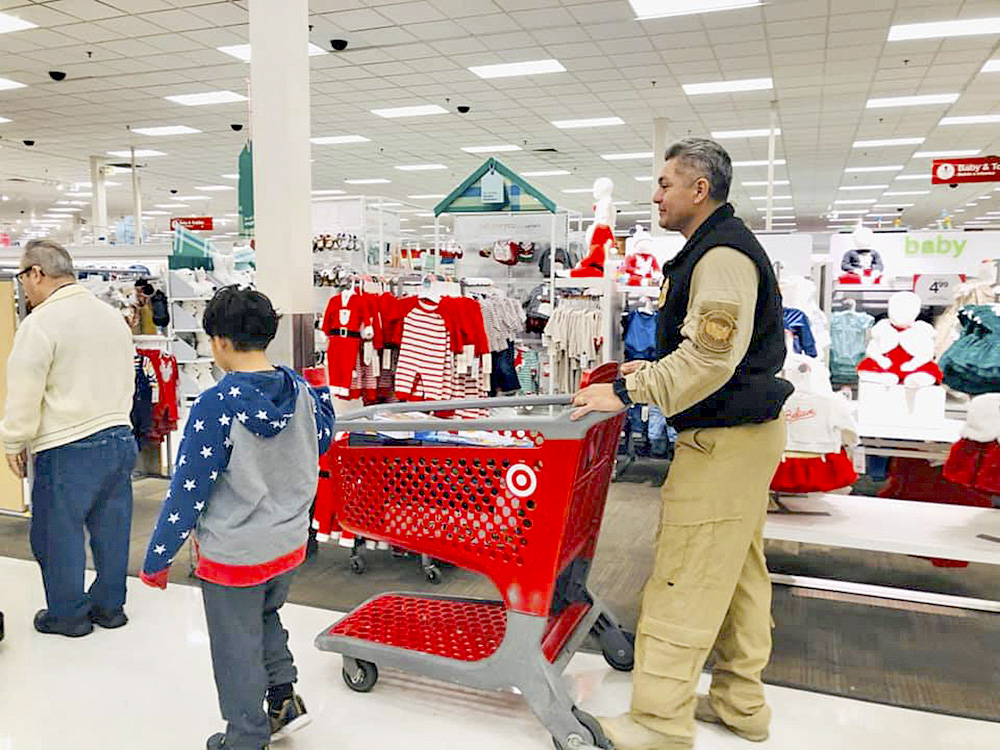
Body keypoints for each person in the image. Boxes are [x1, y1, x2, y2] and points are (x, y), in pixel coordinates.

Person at [572, 138, 792, 750]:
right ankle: (741, 704)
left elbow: (709, 356)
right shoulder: (711, 249)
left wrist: (628, 389)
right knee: (739, 574)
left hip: (724, 441)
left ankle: (658, 722)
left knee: (684, 572)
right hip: (744, 439)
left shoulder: (721, 255)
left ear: (701, 189)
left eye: (666, 183)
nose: (655, 193)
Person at [140, 286, 335, 750]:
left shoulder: (216, 404)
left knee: (234, 645)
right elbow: (323, 440)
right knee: (267, 617)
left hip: (235, 553)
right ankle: (284, 699)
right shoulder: (302, 392)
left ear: (221, 341)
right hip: (287, 542)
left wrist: (157, 558)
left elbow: (189, 488)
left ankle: (246, 735)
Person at [1, 239, 137, 638]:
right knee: (112, 528)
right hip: (118, 435)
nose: (23, 286)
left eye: (23, 276)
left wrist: (13, 440)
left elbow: (25, 391)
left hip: (67, 445)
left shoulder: (40, 323)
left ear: (37, 273)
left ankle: (68, 615)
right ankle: (111, 607)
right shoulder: (111, 316)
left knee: (56, 534)